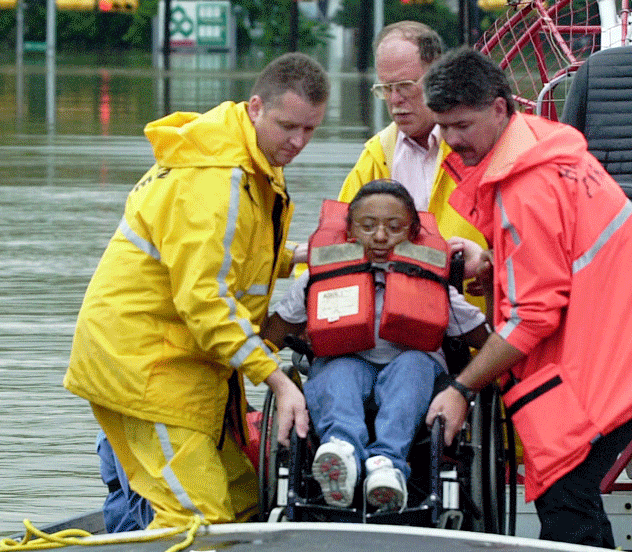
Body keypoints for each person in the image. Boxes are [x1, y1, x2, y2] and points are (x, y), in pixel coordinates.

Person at [421, 48, 632, 548]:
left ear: (499, 108)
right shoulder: (540, 145)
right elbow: (560, 255)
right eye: (443, 127)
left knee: (565, 494)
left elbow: (531, 317)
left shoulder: (526, 186)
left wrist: (460, 389)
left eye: (462, 125)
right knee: (569, 495)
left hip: (617, 355)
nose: (452, 140)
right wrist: (493, 262)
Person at [64, 52, 326, 529]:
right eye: (288, 126)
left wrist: (301, 256)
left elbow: (229, 256)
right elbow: (206, 301)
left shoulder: (247, 155)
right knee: (199, 520)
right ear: (255, 108)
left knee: (245, 501)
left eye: (310, 130)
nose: (297, 142)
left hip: (187, 368)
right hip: (149, 370)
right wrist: (277, 379)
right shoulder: (217, 180)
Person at [265, 179, 489, 512]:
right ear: (350, 231)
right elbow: (272, 336)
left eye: (394, 228)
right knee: (339, 370)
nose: (381, 236)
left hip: (413, 372)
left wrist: (491, 285)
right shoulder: (318, 279)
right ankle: (340, 453)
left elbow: (485, 340)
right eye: (368, 226)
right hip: (343, 364)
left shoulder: (434, 283)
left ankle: (387, 464)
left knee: (413, 366)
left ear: (412, 232)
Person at [337, 21, 487, 290]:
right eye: (386, 88)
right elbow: (335, 242)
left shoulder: (483, 145)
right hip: (400, 310)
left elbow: (534, 244)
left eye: (405, 85)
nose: (395, 99)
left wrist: (492, 266)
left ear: (439, 74)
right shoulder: (377, 155)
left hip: (477, 309)